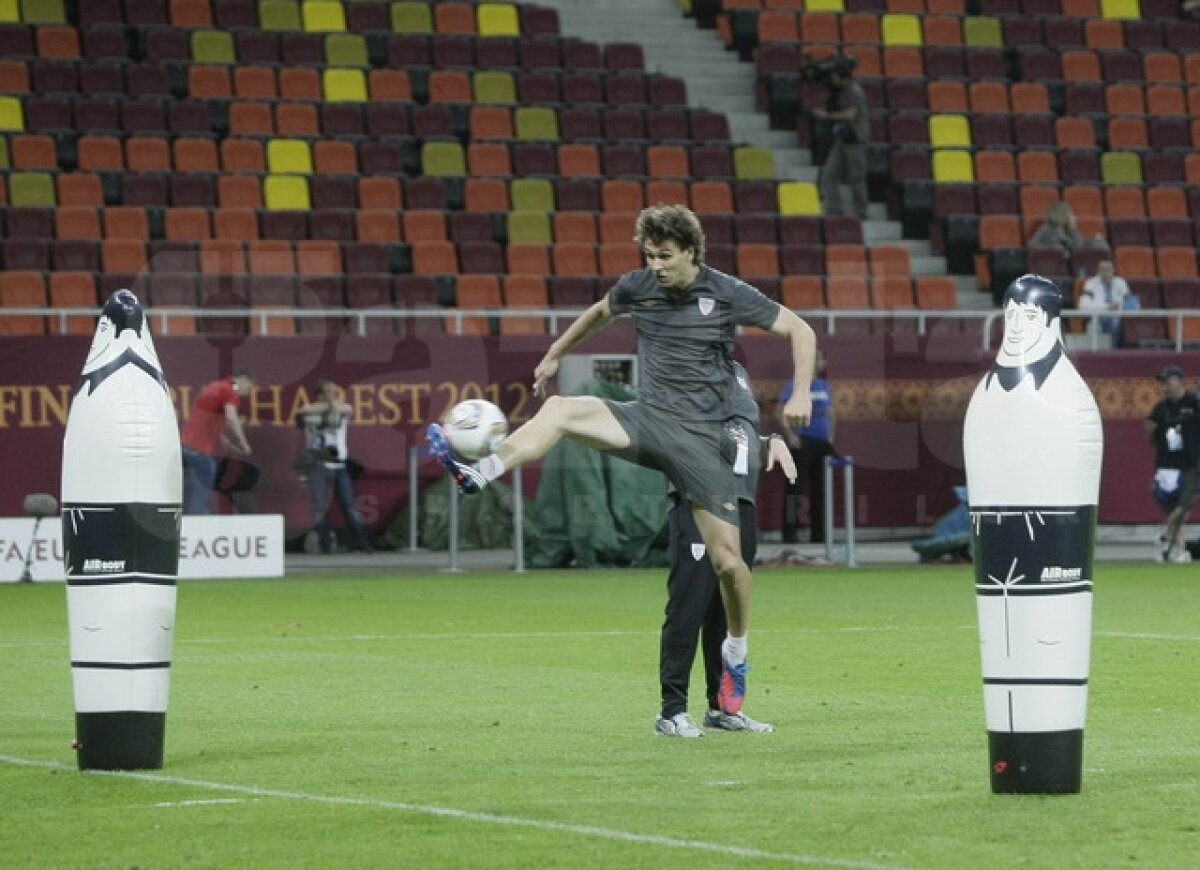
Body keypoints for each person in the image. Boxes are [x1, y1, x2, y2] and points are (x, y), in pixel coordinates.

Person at [428, 204, 817, 716]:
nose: (656, 265)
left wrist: (801, 392)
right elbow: (598, 313)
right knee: (562, 408)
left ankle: (737, 651)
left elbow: (801, 330)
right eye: (650, 255)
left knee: (729, 564)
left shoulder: (726, 292)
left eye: (666, 256)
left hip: (705, 440)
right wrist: (555, 353)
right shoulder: (638, 286)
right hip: (652, 419)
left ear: (691, 253)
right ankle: (481, 470)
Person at [657, 421, 797, 738]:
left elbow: (738, 437)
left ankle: (722, 708)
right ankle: (672, 711)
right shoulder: (682, 387)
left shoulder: (735, 383)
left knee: (727, 608)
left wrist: (770, 440)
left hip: (740, 504)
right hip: (697, 499)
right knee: (688, 606)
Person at [296, 380, 373, 554]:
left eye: (334, 392)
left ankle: (359, 541)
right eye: (328, 392)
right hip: (318, 465)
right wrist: (326, 406)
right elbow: (303, 411)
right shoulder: (310, 411)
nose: (333, 395)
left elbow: (347, 409)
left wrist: (330, 405)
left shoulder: (341, 409)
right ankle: (326, 544)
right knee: (319, 507)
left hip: (339, 466)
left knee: (349, 505)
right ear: (320, 395)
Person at [778, 349, 836, 544]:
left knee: (821, 490)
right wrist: (791, 436)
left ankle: (819, 535)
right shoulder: (794, 386)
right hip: (802, 441)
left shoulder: (823, 386)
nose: (822, 363)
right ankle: (790, 534)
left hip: (821, 443)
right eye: (819, 359)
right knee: (795, 490)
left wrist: (830, 436)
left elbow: (830, 412)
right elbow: (781, 412)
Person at [180, 369, 255, 515]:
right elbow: (231, 417)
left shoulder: (214, 387)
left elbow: (207, 418)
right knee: (202, 491)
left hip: (185, 447)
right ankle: (200, 523)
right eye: (250, 387)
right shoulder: (229, 391)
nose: (248, 392)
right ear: (243, 379)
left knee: (190, 492)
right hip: (198, 450)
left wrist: (225, 442)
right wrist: (244, 444)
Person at [1145, 364, 1200, 563]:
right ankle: (1180, 550)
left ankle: (1164, 536)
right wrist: (1151, 429)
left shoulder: (1193, 402)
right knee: (1171, 509)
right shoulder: (1161, 408)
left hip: (1190, 464)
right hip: (1166, 464)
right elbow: (1151, 437)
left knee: (1184, 507)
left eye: (1167, 381)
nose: (1165, 386)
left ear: (1179, 381)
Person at [811, 56, 870, 220]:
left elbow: (851, 114)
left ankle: (861, 211)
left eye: (834, 77)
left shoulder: (855, 92)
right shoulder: (840, 91)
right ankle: (834, 210)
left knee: (857, 178)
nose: (831, 80)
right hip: (841, 138)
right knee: (829, 175)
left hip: (856, 138)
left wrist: (827, 115)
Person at [1077, 259, 1131, 347]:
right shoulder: (1090, 284)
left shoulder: (1121, 283)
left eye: (1108, 269)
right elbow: (1083, 306)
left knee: (1115, 323)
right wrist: (1107, 307)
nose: (1105, 272)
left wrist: (1119, 305)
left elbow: (1130, 303)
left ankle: (1112, 353)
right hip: (1098, 317)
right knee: (1097, 325)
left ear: (1114, 270)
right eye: (1102, 269)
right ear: (1098, 271)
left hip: (1117, 318)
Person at [1028, 202, 1110, 256]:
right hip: (1055, 260)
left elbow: (1079, 245)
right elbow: (1032, 245)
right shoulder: (1047, 228)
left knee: (1100, 242)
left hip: (1073, 256)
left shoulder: (1068, 229)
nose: (1071, 216)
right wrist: (1052, 247)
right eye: (1069, 214)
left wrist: (1073, 228)